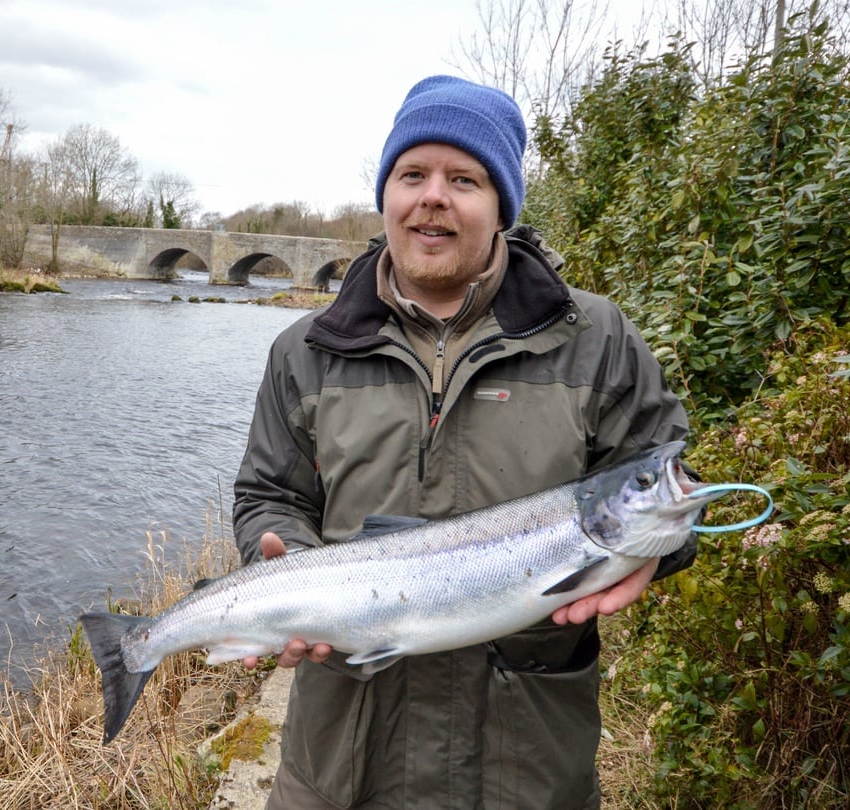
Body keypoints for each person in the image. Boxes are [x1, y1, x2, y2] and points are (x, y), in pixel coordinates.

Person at [231, 75, 694, 809]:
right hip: (341, 760)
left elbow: (662, 478)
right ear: (386, 195)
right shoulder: (304, 350)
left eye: (464, 178)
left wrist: (661, 548)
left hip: (525, 766)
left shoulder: (598, 338)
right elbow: (269, 495)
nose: (433, 196)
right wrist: (279, 558)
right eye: (412, 173)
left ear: (501, 206)